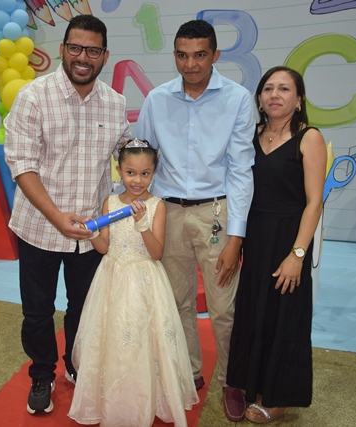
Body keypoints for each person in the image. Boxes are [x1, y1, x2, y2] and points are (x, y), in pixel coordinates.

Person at [3, 14, 131, 415]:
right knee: (38, 311)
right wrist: (56, 216)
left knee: (85, 307)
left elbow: (126, 155)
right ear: (62, 49)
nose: (82, 57)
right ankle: (42, 374)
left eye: (92, 50)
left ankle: (77, 365)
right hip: (39, 227)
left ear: (105, 56)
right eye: (75, 47)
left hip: (92, 231)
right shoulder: (33, 96)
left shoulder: (115, 103)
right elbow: (22, 166)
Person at [133, 19, 257, 421]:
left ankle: (232, 380)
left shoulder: (237, 99)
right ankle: (187, 371)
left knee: (224, 307)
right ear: (174, 55)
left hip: (216, 212)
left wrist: (236, 236)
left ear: (215, 55)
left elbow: (241, 170)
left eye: (200, 55)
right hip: (168, 212)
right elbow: (142, 156)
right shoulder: (157, 99)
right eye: (182, 55)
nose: (191, 64)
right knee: (177, 302)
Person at [68, 139, 199, 427]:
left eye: (144, 173)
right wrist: (92, 234)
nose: (137, 180)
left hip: (144, 280)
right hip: (112, 277)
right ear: (119, 171)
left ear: (154, 173)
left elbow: (156, 252)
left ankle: (146, 395)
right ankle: (114, 397)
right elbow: (105, 248)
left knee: (143, 337)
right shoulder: (110, 203)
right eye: (130, 173)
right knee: (113, 334)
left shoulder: (157, 206)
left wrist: (142, 225)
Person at [225, 66, 327, 423]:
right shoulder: (250, 135)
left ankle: (279, 397)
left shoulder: (309, 138)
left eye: (284, 89)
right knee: (254, 312)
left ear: (299, 100)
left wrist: (297, 254)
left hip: (289, 237)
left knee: (285, 318)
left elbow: (314, 202)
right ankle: (250, 385)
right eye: (268, 88)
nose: (275, 95)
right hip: (254, 236)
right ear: (259, 99)